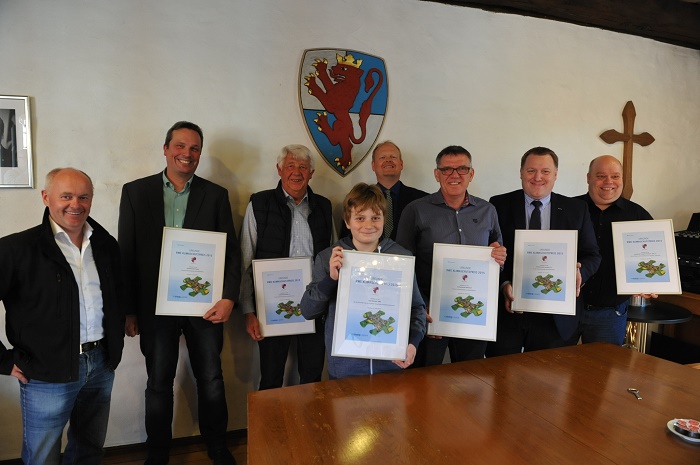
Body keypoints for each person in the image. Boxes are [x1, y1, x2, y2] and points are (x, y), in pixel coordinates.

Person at [118, 121, 240, 465]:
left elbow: (230, 252)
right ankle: (157, 453)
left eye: (195, 148)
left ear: (200, 153)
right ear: (166, 149)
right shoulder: (135, 192)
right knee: (159, 382)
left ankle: (217, 446)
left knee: (211, 378)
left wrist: (229, 297)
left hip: (205, 305)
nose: (187, 154)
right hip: (154, 307)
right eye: (180, 146)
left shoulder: (216, 195)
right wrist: (129, 309)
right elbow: (126, 253)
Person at [0, 168, 125, 465]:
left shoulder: (106, 245)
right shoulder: (16, 248)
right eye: (66, 196)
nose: (75, 204)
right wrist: (2, 360)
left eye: (83, 197)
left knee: (89, 450)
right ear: (46, 197)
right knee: (42, 456)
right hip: (45, 370)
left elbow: (116, 295)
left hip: (100, 364)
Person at [300, 183, 426, 378]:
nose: (368, 225)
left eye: (376, 218)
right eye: (360, 218)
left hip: (391, 365)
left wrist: (413, 342)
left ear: (384, 220)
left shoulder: (401, 257)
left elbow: (417, 308)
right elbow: (308, 311)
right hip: (345, 369)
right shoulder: (328, 258)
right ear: (347, 221)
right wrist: (330, 279)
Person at [396, 145, 506, 366]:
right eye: (446, 169)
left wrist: (499, 257)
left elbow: (498, 256)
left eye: (462, 169)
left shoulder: (487, 210)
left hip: (474, 314)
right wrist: (419, 306)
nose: (454, 175)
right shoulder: (416, 210)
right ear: (436, 174)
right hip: (430, 312)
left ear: (471, 174)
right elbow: (402, 265)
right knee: (426, 378)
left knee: (471, 377)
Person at [486, 147, 601, 357]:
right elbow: (490, 254)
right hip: (509, 310)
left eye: (545, 171)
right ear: (521, 173)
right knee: (500, 374)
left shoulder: (576, 209)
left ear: (555, 174)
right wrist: (503, 284)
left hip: (556, 317)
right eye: (531, 171)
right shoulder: (498, 205)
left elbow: (592, 255)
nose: (538, 177)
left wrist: (579, 273)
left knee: (548, 376)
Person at [239, 144, 333, 390]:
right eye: (290, 165)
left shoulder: (324, 207)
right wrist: (249, 311)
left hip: (316, 307)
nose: (296, 172)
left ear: (311, 173)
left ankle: (308, 418)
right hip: (270, 309)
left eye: (303, 167)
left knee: (312, 377)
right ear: (279, 169)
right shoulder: (259, 204)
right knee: (271, 379)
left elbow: (333, 262)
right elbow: (245, 262)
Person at [570, 155, 653, 345]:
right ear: (588, 177)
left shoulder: (638, 215)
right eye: (601, 176)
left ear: (622, 179)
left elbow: (653, 257)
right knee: (554, 363)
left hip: (609, 314)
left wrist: (651, 284)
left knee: (603, 365)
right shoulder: (569, 209)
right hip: (565, 311)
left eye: (615, 176)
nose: (609, 181)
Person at [340, 141, 428, 240]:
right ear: (373, 165)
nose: (388, 160)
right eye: (382, 157)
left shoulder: (423, 200)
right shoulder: (357, 199)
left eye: (393, 157)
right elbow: (346, 239)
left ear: (401, 164)